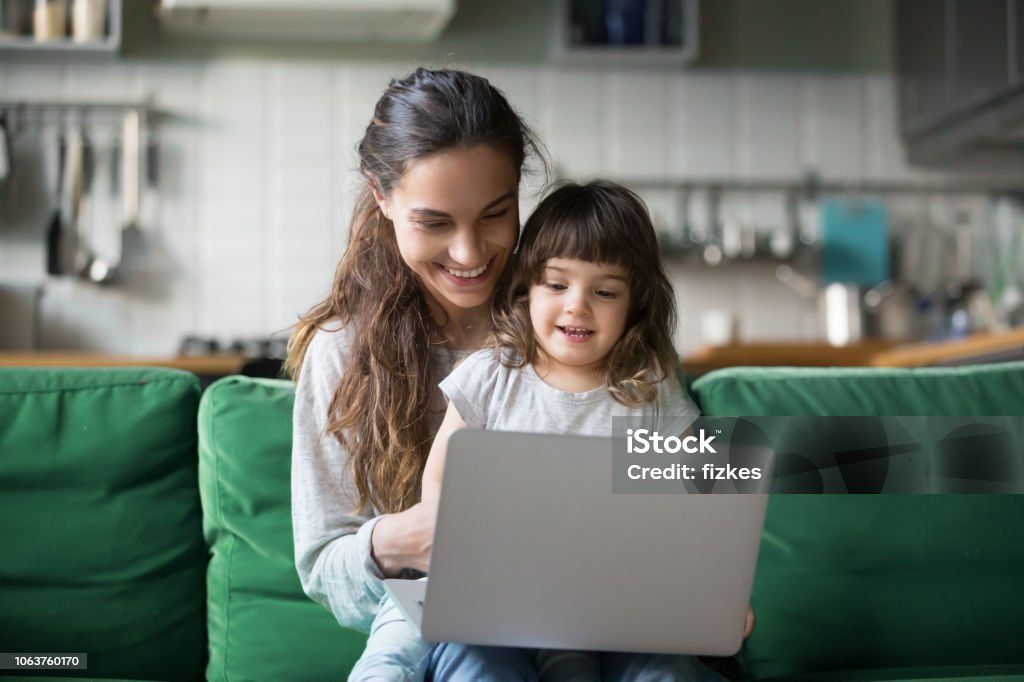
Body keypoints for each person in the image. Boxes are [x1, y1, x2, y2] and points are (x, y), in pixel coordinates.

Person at [354, 180, 728, 681]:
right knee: (442, 664)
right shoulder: (492, 375)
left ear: (634, 304)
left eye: (605, 291)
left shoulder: (651, 391)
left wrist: (711, 595)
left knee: (662, 671)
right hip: (490, 599)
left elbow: (690, 504)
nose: (578, 305)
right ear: (526, 287)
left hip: (607, 606)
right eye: (557, 285)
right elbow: (440, 481)